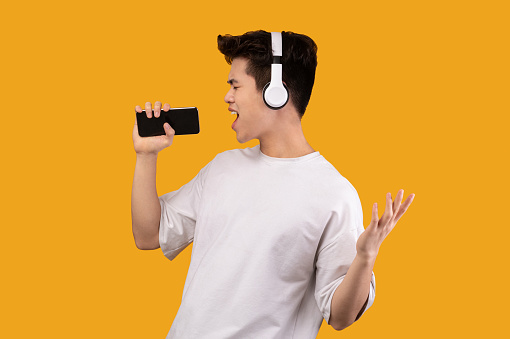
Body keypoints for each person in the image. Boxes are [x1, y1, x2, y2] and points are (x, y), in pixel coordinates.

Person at [131, 30, 415, 338]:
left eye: (235, 85)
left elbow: (340, 316)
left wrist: (365, 259)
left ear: (275, 91)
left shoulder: (334, 194)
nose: (227, 97)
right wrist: (146, 156)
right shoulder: (222, 167)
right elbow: (148, 235)